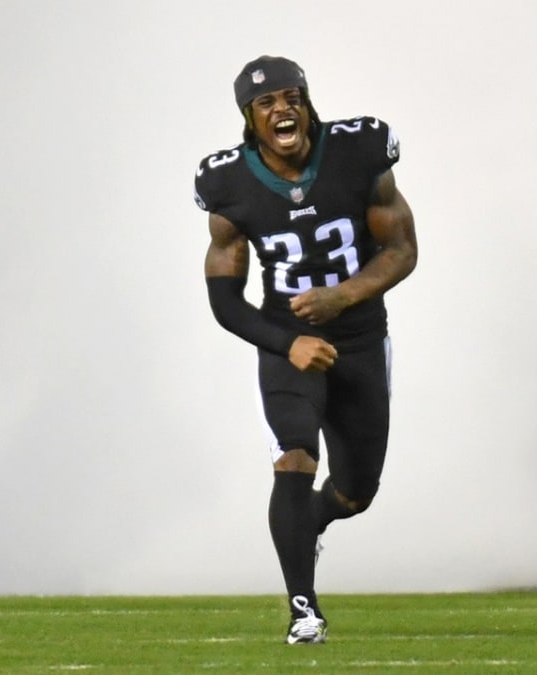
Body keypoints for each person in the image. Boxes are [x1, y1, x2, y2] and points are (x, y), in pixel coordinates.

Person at [193, 55, 417, 644]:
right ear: (249, 118)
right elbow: (224, 300)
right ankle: (304, 610)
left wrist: (343, 297)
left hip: (360, 339)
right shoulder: (227, 183)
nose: (282, 109)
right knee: (294, 455)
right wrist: (287, 342)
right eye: (266, 103)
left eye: (291, 97)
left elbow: (401, 249)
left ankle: (311, 522)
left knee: (356, 492)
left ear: (307, 102)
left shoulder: (359, 150)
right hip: (286, 341)